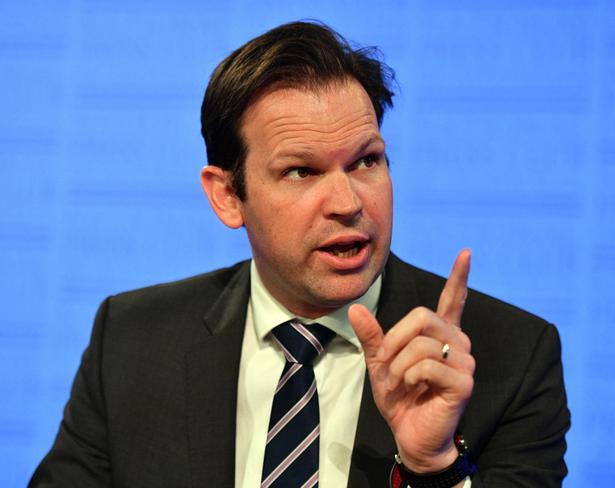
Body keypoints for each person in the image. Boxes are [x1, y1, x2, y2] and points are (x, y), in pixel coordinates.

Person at [30, 21, 570, 488]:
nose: (348, 203)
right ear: (227, 195)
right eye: (301, 171)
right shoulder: (131, 340)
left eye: (366, 162)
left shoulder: (510, 358)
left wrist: (433, 467)